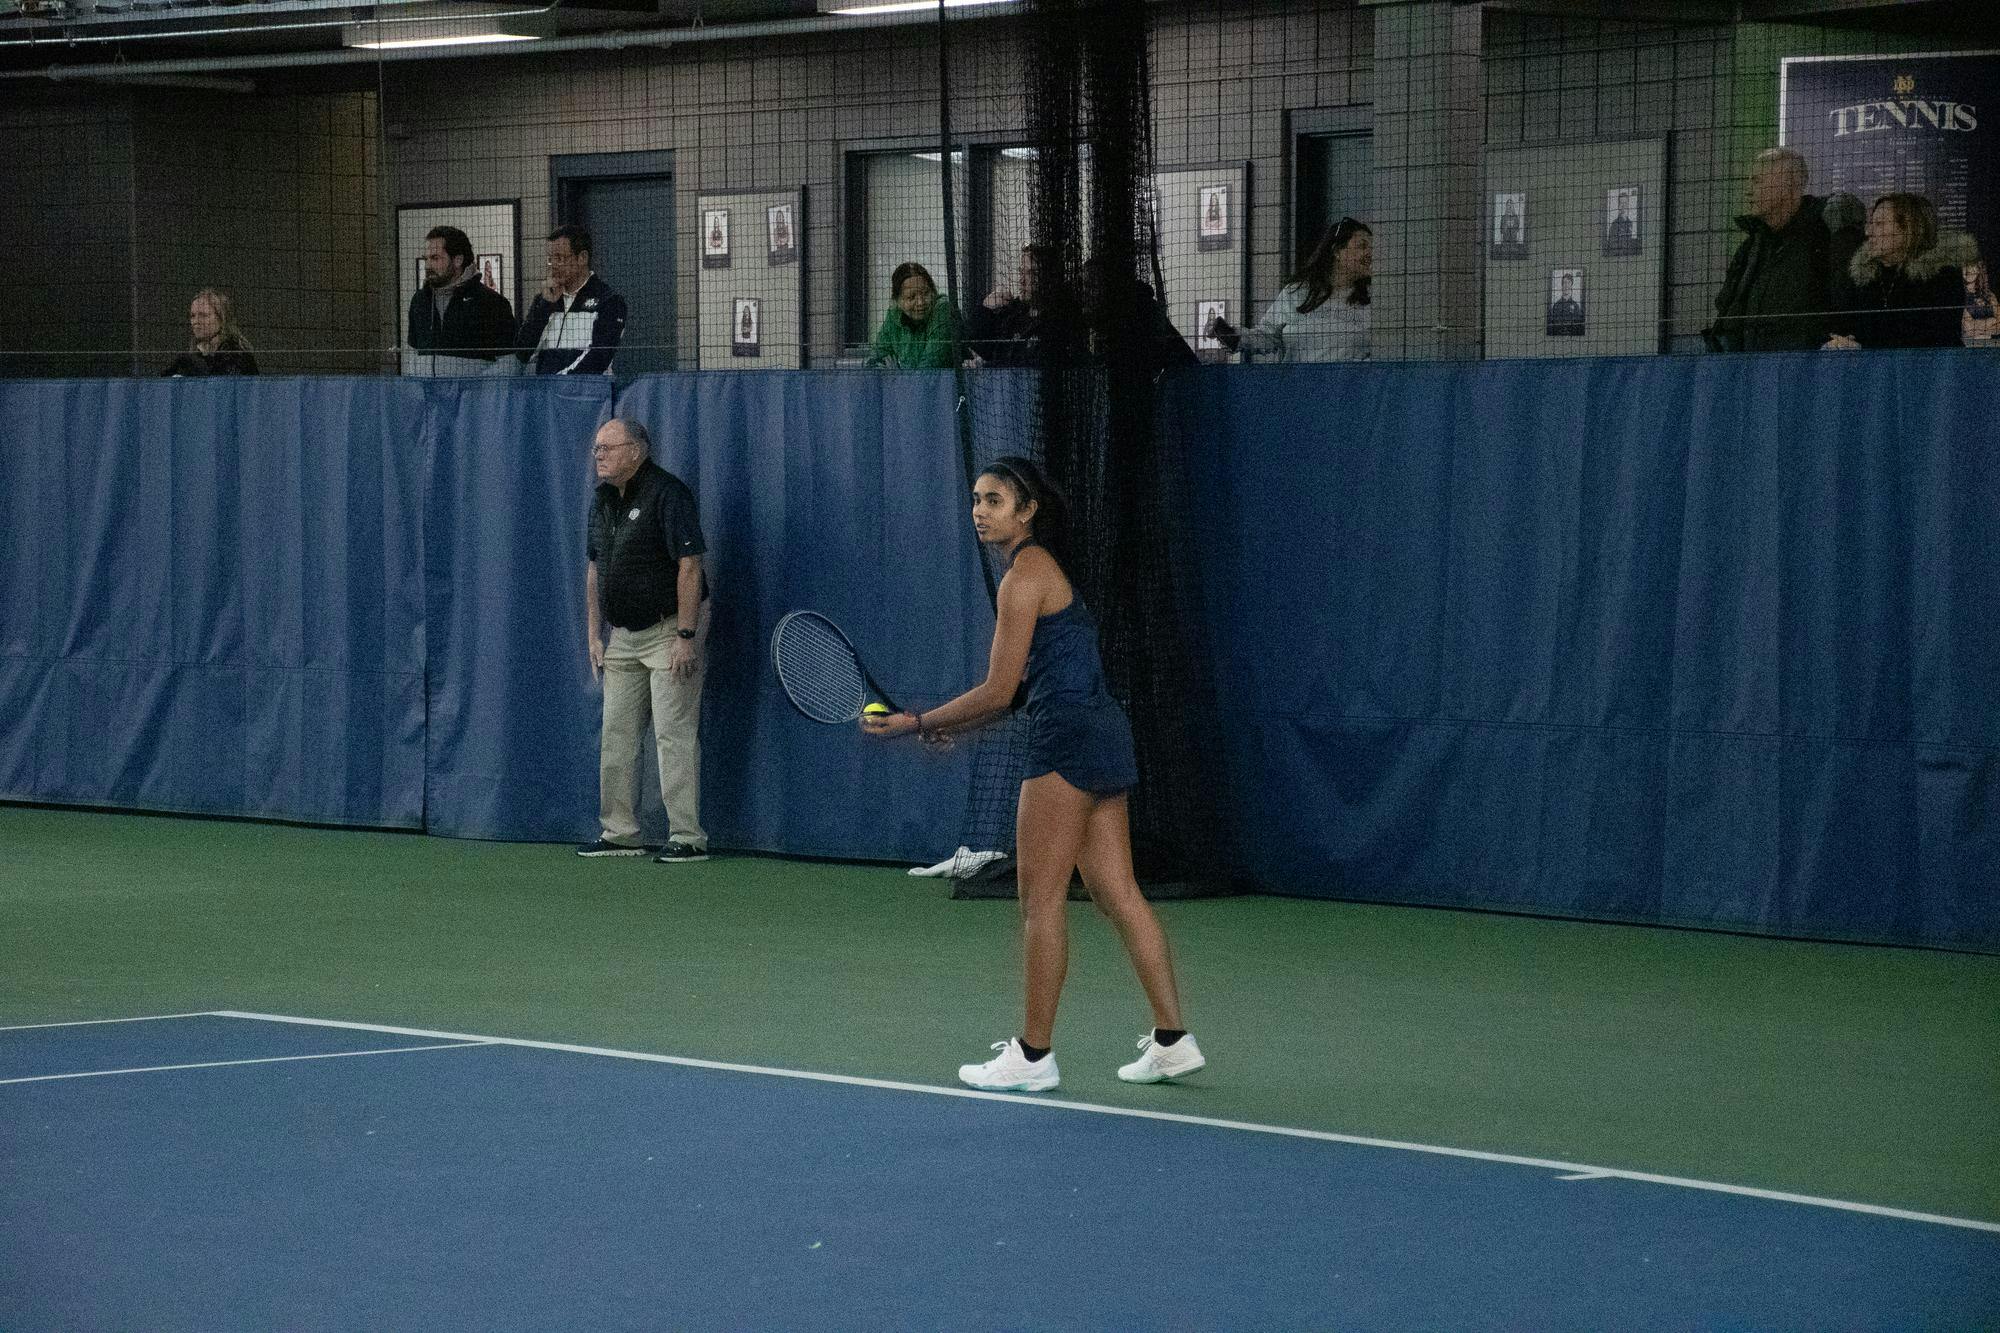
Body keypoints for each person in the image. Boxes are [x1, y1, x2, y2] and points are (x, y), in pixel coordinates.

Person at [862, 456, 1202, 1093]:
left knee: (1040, 903)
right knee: (1115, 893)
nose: (980, 511)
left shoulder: (1025, 575)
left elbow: (998, 690)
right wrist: (941, 723)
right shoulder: (1041, 570)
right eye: (975, 499)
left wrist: (915, 721)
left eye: (994, 500)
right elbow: (1019, 687)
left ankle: (1034, 1055)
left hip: (1066, 739)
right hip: (1101, 730)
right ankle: (1172, 1040)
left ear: (1028, 511)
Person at [577, 418, 711, 864]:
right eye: (596, 449)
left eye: (607, 448)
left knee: (673, 735)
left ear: (636, 450)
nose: (598, 455)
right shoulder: (600, 502)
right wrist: (595, 634)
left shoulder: (668, 494)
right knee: (615, 734)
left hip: (669, 630)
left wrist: (686, 637)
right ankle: (619, 832)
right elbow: (596, 570)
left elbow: (690, 566)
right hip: (622, 638)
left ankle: (688, 837)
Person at [1706, 147, 1863, 353]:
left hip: (1809, 371)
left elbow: (1851, 299)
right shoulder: (1751, 248)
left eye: (1757, 181)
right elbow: (1727, 312)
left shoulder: (1827, 234)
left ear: (1789, 185)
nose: (1748, 190)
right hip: (1749, 370)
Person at [1206, 217, 1372, 363]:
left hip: (1348, 395)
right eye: (1362, 246)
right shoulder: (1296, 293)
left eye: (1372, 248)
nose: (1370, 253)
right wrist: (1234, 337)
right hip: (1296, 391)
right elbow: (1268, 336)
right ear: (1337, 251)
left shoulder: (1373, 301)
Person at [1824, 194, 1973, 351]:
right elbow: (1841, 324)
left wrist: (1864, 348)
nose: (1868, 232)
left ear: (1909, 228)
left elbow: (1935, 338)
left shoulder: (1942, 275)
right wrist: (1841, 342)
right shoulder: (1860, 276)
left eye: (1879, 224)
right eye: (1870, 223)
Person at [407, 225, 518, 375]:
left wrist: (477, 391)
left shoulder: (491, 303)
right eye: (426, 258)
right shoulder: (419, 301)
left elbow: (510, 361)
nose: (427, 265)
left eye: (435, 258)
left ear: (458, 260)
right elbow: (414, 353)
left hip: (473, 397)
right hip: (428, 397)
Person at [517, 225, 628, 375]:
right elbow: (522, 353)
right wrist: (545, 306)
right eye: (550, 259)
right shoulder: (544, 299)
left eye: (560, 258)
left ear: (582, 258)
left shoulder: (609, 301)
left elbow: (599, 357)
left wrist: (562, 382)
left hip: (586, 393)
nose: (554, 265)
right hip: (545, 393)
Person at [964, 244, 1079, 368]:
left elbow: (1037, 363)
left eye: (1031, 273)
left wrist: (988, 366)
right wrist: (986, 310)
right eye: (1021, 272)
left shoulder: (1060, 318)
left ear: (1048, 277)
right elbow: (979, 347)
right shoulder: (1014, 312)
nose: (1022, 280)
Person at [865, 262, 963, 368]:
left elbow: (930, 367)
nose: (920, 302)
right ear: (898, 301)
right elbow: (874, 360)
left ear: (933, 292)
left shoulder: (943, 310)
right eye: (911, 297)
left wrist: (897, 377)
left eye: (926, 293)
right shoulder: (894, 314)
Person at [164, 288, 257, 377]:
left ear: (221, 319)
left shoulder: (237, 355)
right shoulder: (189, 359)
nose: (196, 321)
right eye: (192, 316)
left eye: (203, 315)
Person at [1965, 258, 1999, 345]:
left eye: (1972, 267)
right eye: (1965, 266)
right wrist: (1991, 321)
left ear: (1979, 272)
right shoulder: (1961, 294)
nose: (1967, 269)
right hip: (1969, 343)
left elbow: (1999, 321)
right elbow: (1967, 328)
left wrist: (1980, 328)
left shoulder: (1989, 296)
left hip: (1991, 342)